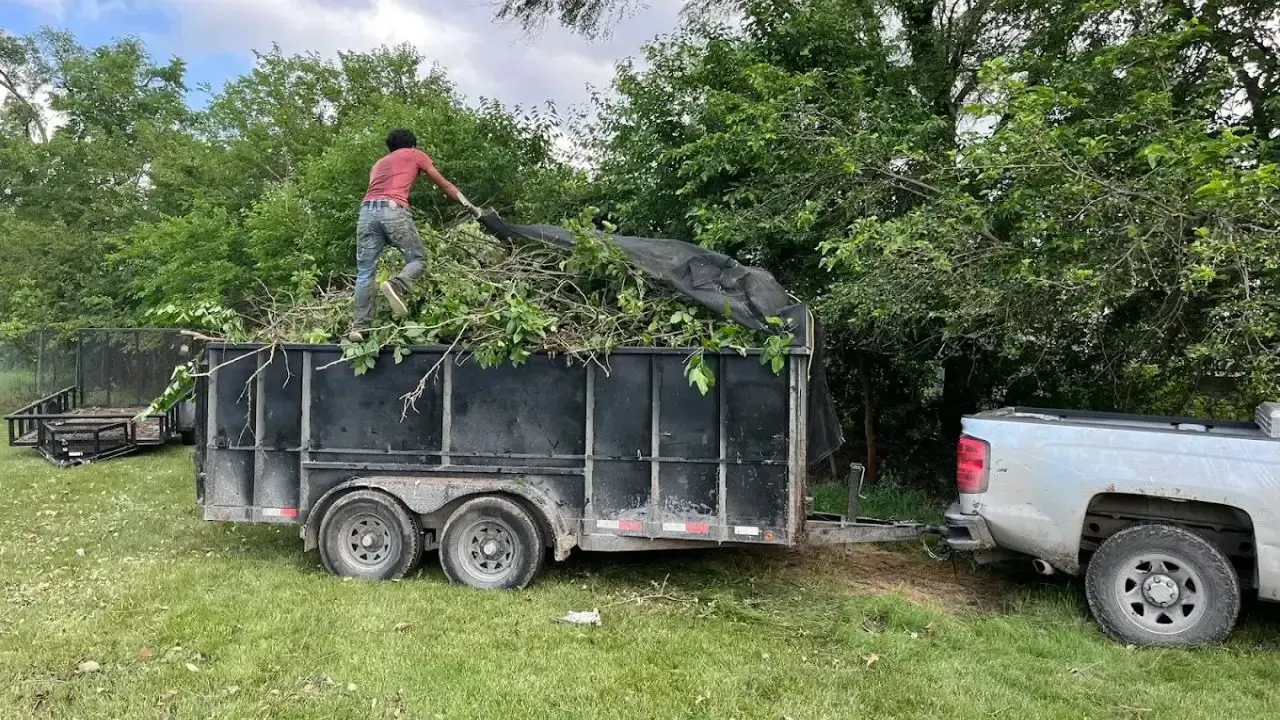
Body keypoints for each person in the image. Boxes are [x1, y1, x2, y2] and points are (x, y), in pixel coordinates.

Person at [348, 128, 480, 341]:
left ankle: (359, 327)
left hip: (366, 213)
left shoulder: (378, 164)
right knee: (418, 259)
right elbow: (444, 184)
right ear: (412, 145)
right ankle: (396, 285)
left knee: (365, 272)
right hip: (392, 209)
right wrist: (471, 207)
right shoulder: (415, 154)